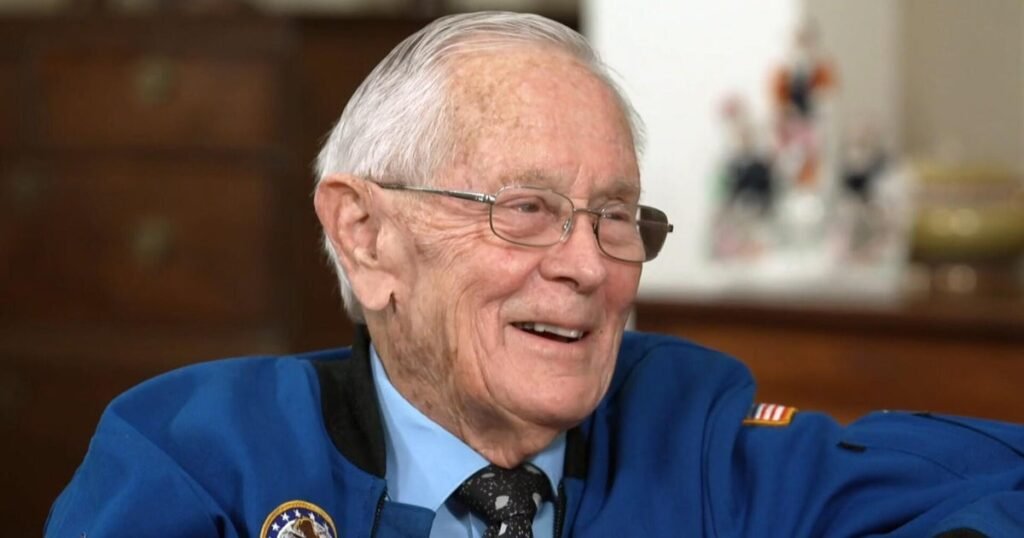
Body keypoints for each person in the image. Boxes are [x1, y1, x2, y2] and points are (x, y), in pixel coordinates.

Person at [46, 12, 1024, 538]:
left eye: (616, 215)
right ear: (366, 237)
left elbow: (991, 479)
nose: (589, 266)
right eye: (524, 209)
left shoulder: (696, 446)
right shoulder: (203, 458)